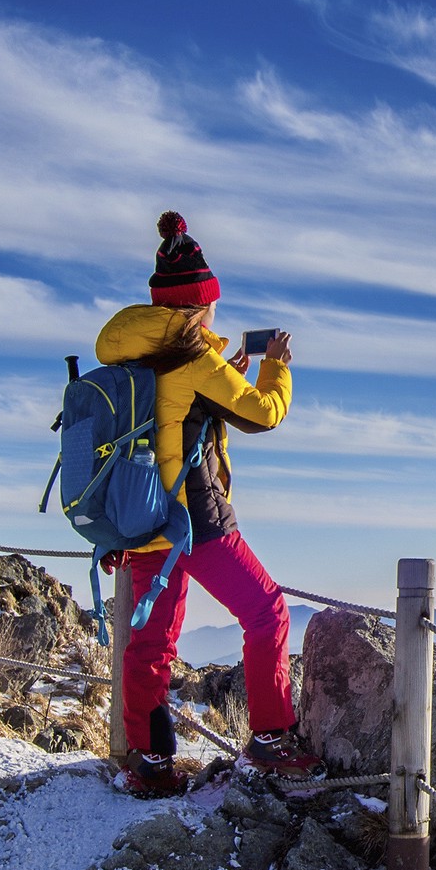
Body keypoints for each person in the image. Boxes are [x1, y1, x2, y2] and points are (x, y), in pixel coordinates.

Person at [93, 211, 325, 796]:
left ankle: (146, 763)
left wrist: (228, 375)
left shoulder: (130, 356)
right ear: (199, 305)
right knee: (267, 611)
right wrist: (275, 367)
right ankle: (271, 739)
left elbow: (174, 413)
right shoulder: (196, 360)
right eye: (211, 304)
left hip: (139, 513)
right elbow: (263, 414)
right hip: (194, 518)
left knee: (150, 642)